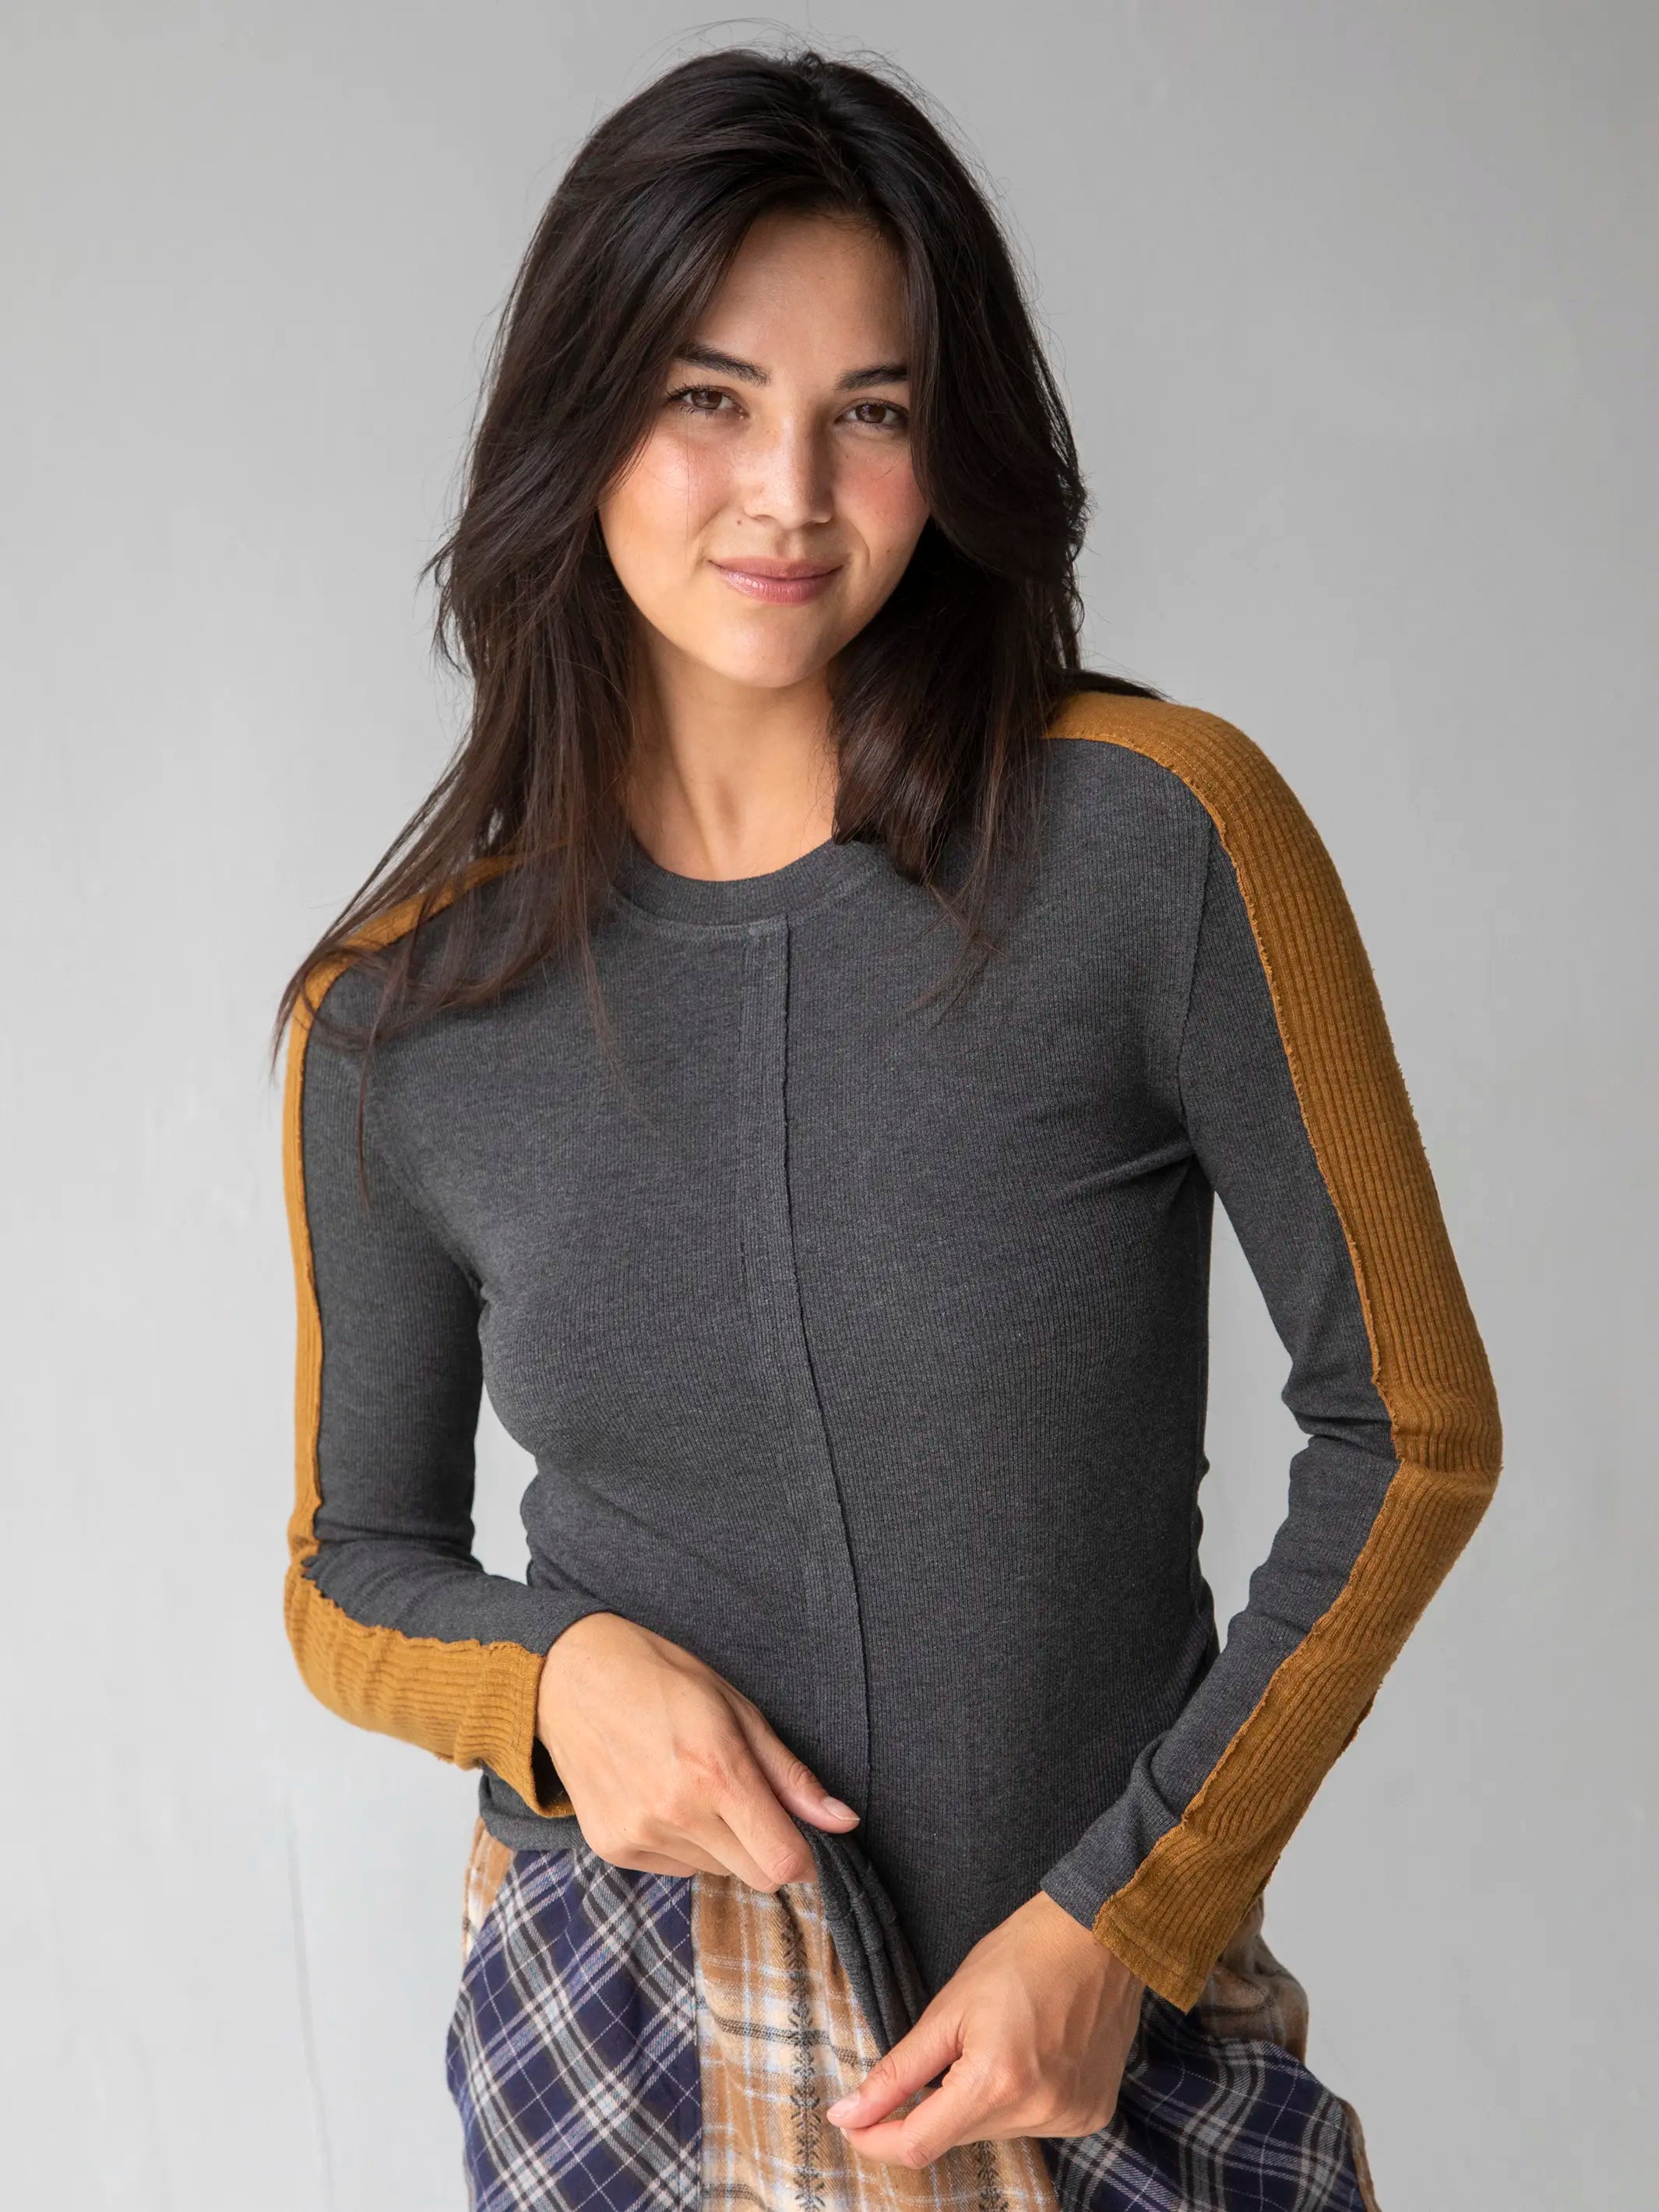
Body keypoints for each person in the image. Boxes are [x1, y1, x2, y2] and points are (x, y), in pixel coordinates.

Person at [274, 42, 1501, 2212]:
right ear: (579, 417)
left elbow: (1410, 1431)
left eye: (873, 410)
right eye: (707, 396)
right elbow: (345, 1573)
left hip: (1091, 2046)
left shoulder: (1157, 842)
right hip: (621, 2050)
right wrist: (556, 1679)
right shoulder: (398, 1016)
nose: (790, 496)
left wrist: (1126, 1920)